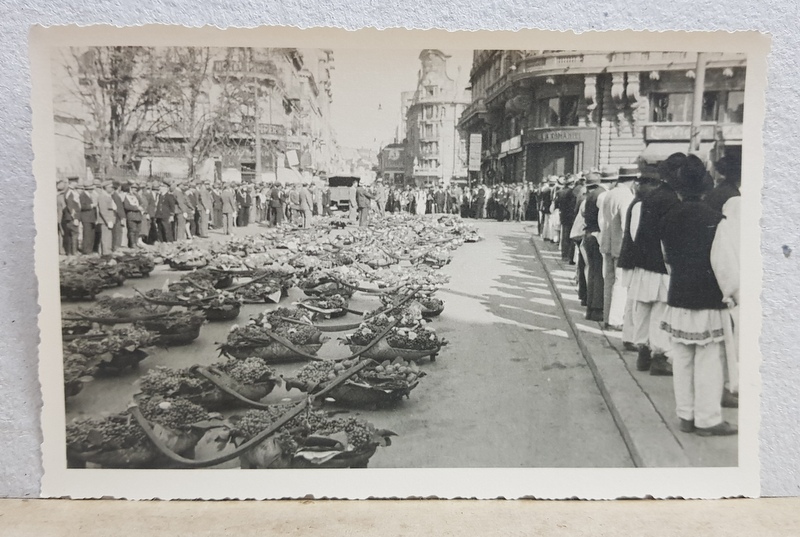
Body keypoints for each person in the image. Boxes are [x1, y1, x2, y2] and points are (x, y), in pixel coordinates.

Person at [660, 154, 736, 437]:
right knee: (708, 360)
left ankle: (685, 415)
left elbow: (666, 257)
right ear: (705, 188)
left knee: (682, 358)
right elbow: (724, 264)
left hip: (679, 295)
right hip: (706, 298)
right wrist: (732, 294)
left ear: (679, 189)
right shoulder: (716, 220)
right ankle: (707, 418)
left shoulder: (668, 217)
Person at [628, 154, 683, 376]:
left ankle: (643, 351)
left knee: (643, 307)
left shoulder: (649, 197)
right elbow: (670, 237)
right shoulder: (673, 200)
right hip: (662, 265)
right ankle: (659, 356)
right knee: (661, 309)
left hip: (643, 262)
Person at [600, 165, 637, 330]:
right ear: (633, 180)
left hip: (607, 243)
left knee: (608, 280)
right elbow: (626, 224)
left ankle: (607, 316)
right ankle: (615, 320)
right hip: (621, 246)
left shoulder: (610, 194)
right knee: (620, 283)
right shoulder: (627, 196)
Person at [582, 171, 608, 322]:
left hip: (588, 234)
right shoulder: (602, 195)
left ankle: (591, 307)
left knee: (592, 271)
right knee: (598, 273)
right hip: (597, 235)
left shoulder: (590, 196)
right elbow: (602, 221)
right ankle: (598, 308)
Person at [96, 181, 117, 256]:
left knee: (108, 236)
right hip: (105, 220)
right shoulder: (102, 196)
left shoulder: (108, 196)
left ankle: (108, 250)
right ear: (105, 188)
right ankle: (106, 252)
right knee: (106, 236)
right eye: (110, 187)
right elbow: (103, 210)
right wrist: (108, 220)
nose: (112, 189)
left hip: (110, 219)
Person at [61, 178, 81, 255]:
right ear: (72, 182)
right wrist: (75, 217)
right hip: (72, 217)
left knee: (70, 235)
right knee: (74, 234)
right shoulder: (70, 192)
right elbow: (71, 206)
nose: (77, 183)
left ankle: (70, 252)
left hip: (70, 217)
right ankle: (74, 252)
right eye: (76, 182)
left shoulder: (71, 191)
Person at [121, 183, 143, 248]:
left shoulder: (137, 196)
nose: (135, 190)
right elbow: (127, 206)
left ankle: (136, 243)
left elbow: (141, 203)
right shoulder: (126, 197)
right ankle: (132, 244)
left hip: (138, 215)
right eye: (133, 188)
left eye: (136, 189)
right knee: (132, 230)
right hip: (131, 215)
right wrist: (136, 208)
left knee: (138, 230)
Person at [78, 183, 97, 254]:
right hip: (86, 218)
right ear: (88, 189)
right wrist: (91, 205)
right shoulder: (83, 195)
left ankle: (90, 249)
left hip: (91, 217)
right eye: (91, 189)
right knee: (87, 235)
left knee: (91, 234)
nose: (92, 190)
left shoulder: (88, 195)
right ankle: (86, 250)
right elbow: (82, 206)